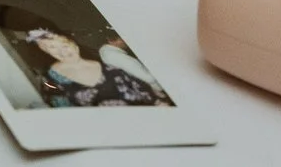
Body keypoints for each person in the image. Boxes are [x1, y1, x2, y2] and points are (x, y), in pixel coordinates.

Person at [19, 25, 174, 109]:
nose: (61, 50)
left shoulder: (110, 68)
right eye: (51, 48)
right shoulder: (51, 80)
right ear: (46, 53)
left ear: (73, 43)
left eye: (63, 44)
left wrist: (160, 105)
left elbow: (143, 93)